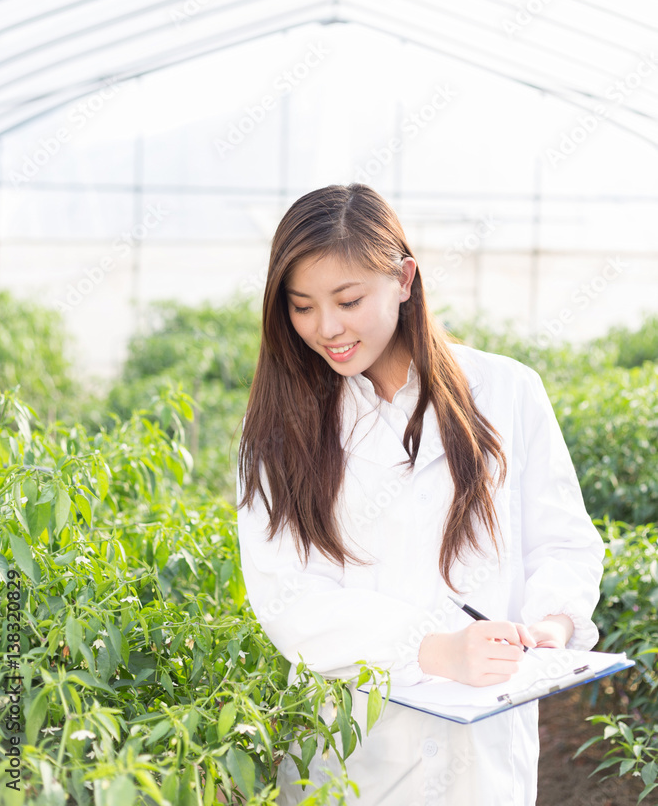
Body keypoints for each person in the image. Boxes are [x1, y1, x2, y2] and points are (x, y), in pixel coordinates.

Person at [236, 183, 605, 806]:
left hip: (485, 742)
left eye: (348, 300)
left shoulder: (506, 390)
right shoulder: (280, 426)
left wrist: (551, 621)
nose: (327, 328)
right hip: (351, 746)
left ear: (404, 279)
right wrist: (431, 649)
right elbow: (287, 597)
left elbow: (562, 539)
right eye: (301, 307)